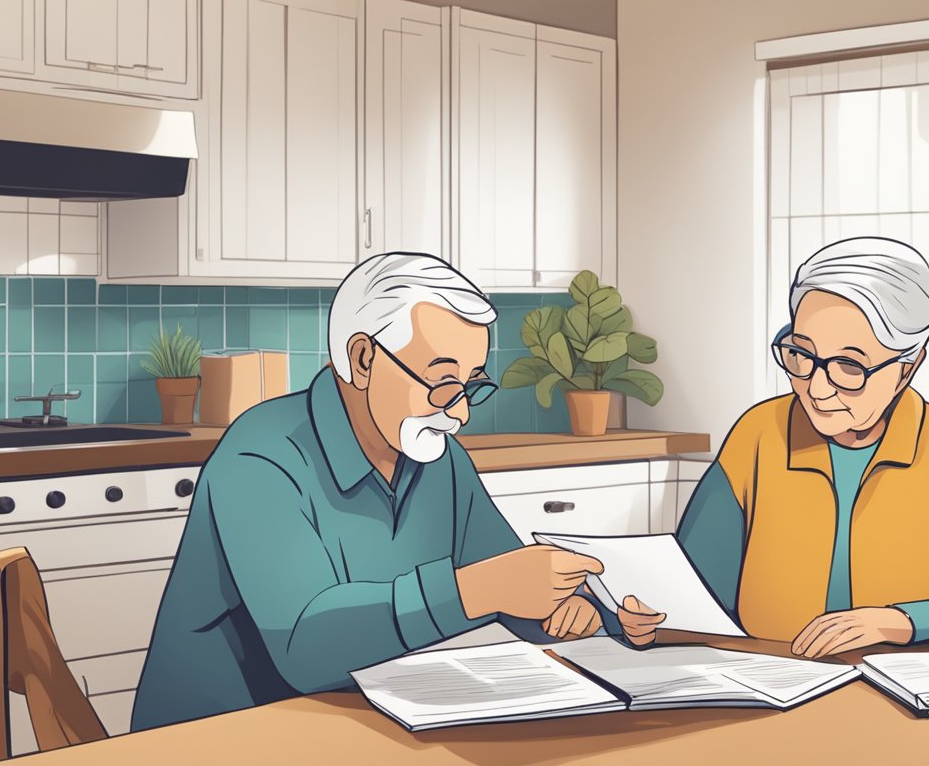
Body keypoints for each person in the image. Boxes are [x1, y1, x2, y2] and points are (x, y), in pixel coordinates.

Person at [131, 253, 605, 730]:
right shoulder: (260, 457)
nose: (459, 414)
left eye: (470, 385)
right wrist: (476, 589)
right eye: (441, 384)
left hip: (376, 719)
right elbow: (304, 647)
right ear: (363, 359)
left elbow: (503, 582)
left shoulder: (439, 457)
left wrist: (567, 609)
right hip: (224, 737)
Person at [616, 236, 929, 657]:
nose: (817, 388)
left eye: (849, 366)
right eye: (801, 355)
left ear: (908, 367)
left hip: (909, 695)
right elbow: (696, 586)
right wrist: (649, 616)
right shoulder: (759, 434)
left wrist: (900, 621)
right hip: (772, 682)